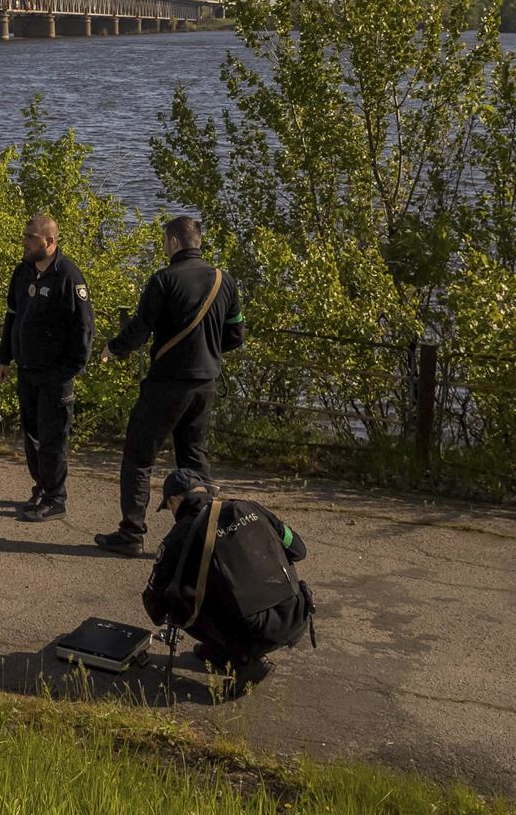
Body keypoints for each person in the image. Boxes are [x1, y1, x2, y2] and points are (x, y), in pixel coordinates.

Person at [94, 216, 246, 556]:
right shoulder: (225, 281)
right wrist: (205, 352)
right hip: (205, 383)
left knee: (139, 456)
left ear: (175, 243)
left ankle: (131, 533)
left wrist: (113, 348)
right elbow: (236, 336)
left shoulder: (163, 280)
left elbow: (140, 328)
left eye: (165, 242)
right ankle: (203, 531)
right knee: (194, 457)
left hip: (167, 384)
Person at [142, 468, 313, 690]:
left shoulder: (179, 536)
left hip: (254, 632)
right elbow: (298, 550)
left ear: (175, 500)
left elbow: (155, 603)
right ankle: (222, 650)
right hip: (296, 614)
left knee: (181, 605)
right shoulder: (251, 508)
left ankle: (244, 661)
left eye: (169, 506)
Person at [0, 214, 94, 523]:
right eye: (25, 235)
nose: (25, 241)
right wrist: (4, 357)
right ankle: (41, 487)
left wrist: (68, 370)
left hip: (55, 374)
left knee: (53, 439)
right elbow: (12, 315)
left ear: (50, 241)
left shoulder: (68, 275)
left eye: (31, 237)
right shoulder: (22, 272)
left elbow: (84, 329)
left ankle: (56, 497)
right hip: (27, 369)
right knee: (33, 435)